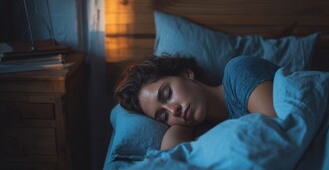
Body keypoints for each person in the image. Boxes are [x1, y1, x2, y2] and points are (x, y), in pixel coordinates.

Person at [114, 54, 279, 150]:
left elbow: (280, 131)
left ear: (187, 74)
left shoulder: (237, 72)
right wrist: (179, 128)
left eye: (167, 93)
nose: (173, 110)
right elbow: (171, 164)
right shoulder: (199, 135)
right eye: (163, 115)